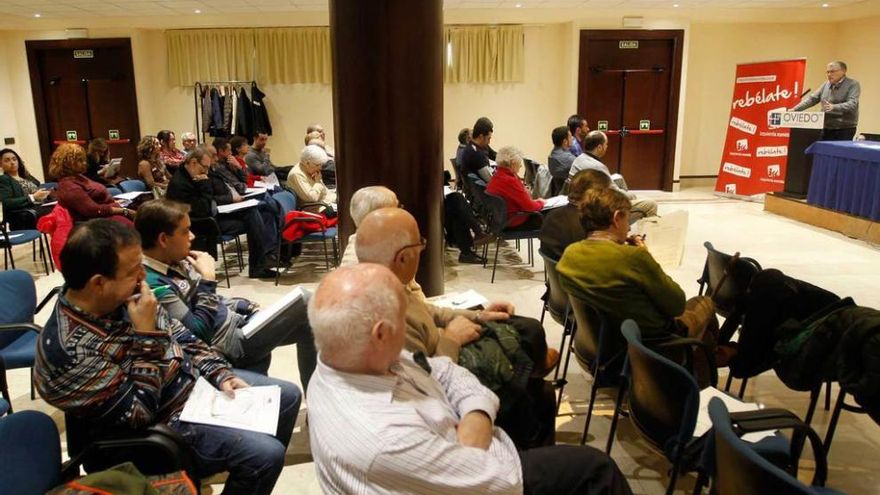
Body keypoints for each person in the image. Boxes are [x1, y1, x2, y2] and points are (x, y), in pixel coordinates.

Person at [307, 263, 633, 495]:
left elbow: (446, 371)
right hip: (484, 469)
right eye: (402, 317)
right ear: (380, 334)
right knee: (596, 470)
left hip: (465, 450)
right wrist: (477, 436)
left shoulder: (344, 360)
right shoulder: (384, 440)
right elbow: (499, 480)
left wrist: (475, 418)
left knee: (538, 397)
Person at [33, 219, 301, 495]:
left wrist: (221, 374)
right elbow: (139, 414)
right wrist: (147, 337)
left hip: (188, 391)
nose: (142, 276)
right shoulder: (69, 353)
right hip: (150, 431)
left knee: (287, 396)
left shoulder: (125, 295)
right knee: (264, 455)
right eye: (133, 270)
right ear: (98, 284)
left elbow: (184, 337)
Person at [356, 207, 559, 447]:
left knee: (528, 349)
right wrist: (451, 338)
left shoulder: (384, 282)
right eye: (420, 244)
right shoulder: (384, 317)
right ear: (403, 257)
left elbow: (431, 312)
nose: (423, 249)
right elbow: (423, 385)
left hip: (448, 364)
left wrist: (480, 316)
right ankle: (525, 466)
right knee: (538, 396)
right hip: (446, 402)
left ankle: (531, 376)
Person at [136, 199, 316, 388]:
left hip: (239, 323)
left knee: (311, 325)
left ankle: (316, 404)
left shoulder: (175, 259)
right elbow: (197, 334)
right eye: (185, 231)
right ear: (163, 239)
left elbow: (212, 301)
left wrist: (243, 305)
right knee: (306, 301)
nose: (192, 236)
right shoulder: (154, 285)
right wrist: (207, 280)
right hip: (228, 343)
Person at [557, 188, 721, 386]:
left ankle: (706, 363)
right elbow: (676, 304)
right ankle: (702, 383)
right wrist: (647, 257)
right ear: (617, 218)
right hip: (649, 343)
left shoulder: (570, 254)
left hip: (597, 345)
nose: (628, 228)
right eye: (628, 220)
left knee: (705, 339)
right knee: (705, 303)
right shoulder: (634, 258)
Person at [166, 145, 278, 278]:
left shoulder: (196, 174)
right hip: (202, 224)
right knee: (253, 218)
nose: (207, 172)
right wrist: (205, 185)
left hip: (214, 214)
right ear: (193, 162)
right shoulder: (180, 183)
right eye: (205, 168)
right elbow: (203, 209)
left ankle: (265, 259)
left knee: (255, 212)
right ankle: (259, 265)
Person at [569, 131, 658, 221]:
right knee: (651, 204)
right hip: (596, 207)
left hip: (584, 199)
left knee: (618, 177)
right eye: (606, 144)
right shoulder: (597, 166)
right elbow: (615, 192)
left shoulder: (579, 159)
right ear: (600, 147)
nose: (607, 147)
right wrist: (632, 196)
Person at [50, 143, 134, 225]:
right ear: (68, 163)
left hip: (108, 213)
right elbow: (93, 210)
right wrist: (124, 211)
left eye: (83, 159)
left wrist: (118, 203)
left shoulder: (78, 177)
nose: (84, 163)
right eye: (80, 160)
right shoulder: (68, 186)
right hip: (96, 223)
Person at [539, 169, 612, 260]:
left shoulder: (552, 215)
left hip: (559, 269)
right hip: (580, 270)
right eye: (608, 193)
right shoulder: (587, 222)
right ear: (596, 194)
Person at [790, 61, 860, 141]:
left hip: (844, 128)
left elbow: (853, 103)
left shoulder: (853, 84)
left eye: (832, 71)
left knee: (837, 152)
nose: (829, 74)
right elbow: (812, 99)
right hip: (825, 127)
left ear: (843, 71)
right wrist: (795, 109)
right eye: (828, 72)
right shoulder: (826, 84)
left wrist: (834, 107)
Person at [486, 146, 545, 231]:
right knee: (552, 216)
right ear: (513, 163)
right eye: (519, 163)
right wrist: (541, 203)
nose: (521, 166)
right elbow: (530, 207)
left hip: (503, 221)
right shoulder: (509, 180)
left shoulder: (497, 176)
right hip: (515, 221)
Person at [340, 185, 399, 266]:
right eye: (395, 210)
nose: (401, 214)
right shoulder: (360, 259)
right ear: (376, 220)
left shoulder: (382, 242)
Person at [0, 148, 52, 224]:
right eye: (7, 160)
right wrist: (33, 197)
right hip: (24, 213)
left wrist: (47, 193)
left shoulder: (26, 177)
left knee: (61, 207)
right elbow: (7, 202)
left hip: (40, 206)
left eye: (14, 159)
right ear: (1, 164)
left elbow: (38, 187)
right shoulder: (4, 179)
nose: (12, 162)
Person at [286, 145, 336, 214]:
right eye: (317, 165)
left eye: (321, 165)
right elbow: (312, 198)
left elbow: (324, 192)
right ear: (307, 163)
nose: (320, 168)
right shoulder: (296, 174)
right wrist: (318, 182)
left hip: (325, 203)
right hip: (315, 209)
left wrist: (335, 197)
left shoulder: (310, 170)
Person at [460, 117, 495, 183]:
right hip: (481, 191)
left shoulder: (471, 147)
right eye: (488, 138)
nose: (489, 142)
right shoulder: (476, 154)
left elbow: (494, 155)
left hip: (474, 190)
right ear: (481, 137)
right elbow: (491, 181)